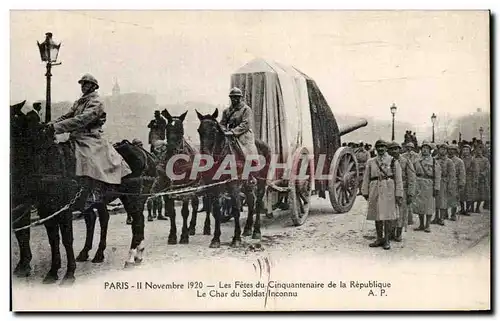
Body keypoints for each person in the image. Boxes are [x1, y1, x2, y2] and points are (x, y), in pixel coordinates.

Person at [46, 73, 132, 210]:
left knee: (87, 158)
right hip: (76, 137)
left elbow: (82, 119)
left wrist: (56, 128)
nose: (83, 86)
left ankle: (95, 191)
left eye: (86, 84)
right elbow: (67, 116)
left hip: (90, 138)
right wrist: (50, 124)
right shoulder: (80, 101)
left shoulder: (96, 102)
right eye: (82, 84)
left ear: (93, 86)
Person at [361, 139, 403, 250]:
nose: (380, 149)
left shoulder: (393, 161)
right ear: (376, 148)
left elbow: (398, 179)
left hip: (388, 188)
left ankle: (387, 239)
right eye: (378, 146)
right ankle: (379, 238)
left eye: (383, 146)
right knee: (377, 215)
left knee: (388, 216)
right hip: (375, 188)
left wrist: (399, 193)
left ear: (386, 148)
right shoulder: (371, 161)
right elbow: (366, 177)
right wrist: (365, 191)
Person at [387, 141, 415, 242]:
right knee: (390, 212)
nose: (394, 151)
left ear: (399, 149)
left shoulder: (405, 161)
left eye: (396, 148)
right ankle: (390, 232)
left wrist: (411, 193)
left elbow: (411, 178)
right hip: (389, 190)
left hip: (403, 190)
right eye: (391, 149)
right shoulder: (387, 161)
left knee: (401, 212)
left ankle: (398, 234)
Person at [220, 87, 258, 161]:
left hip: (243, 134)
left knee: (248, 150)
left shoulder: (246, 109)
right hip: (228, 133)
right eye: (232, 97)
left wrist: (233, 132)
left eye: (236, 97)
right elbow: (222, 123)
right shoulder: (226, 111)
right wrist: (224, 130)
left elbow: (246, 124)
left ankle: (253, 162)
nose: (234, 99)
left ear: (240, 98)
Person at [412, 140, 441, 233]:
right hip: (419, 183)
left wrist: (436, 187)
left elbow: (437, 175)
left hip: (429, 184)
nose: (424, 150)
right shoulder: (416, 161)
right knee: (419, 205)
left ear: (430, 150)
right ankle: (421, 224)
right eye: (423, 148)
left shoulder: (434, 161)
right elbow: (413, 172)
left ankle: (427, 225)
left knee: (429, 205)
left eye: (427, 149)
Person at [432, 143, 456, 225]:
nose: (443, 150)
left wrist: (450, 185)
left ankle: (441, 218)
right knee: (435, 200)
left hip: (444, 182)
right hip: (435, 181)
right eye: (441, 149)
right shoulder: (434, 159)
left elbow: (452, 174)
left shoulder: (449, 161)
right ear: (438, 150)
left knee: (442, 200)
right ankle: (436, 217)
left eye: (445, 149)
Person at [447, 144, 465, 221]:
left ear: (455, 151)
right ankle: (444, 214)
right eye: (449, 149)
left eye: (453, 149)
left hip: (455, 181)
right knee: (445, 197)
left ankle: (453, 214)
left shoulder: (459, 161)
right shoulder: (445, 159)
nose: (451, 151)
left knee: (454, 198)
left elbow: (462, 173)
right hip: (445, 180)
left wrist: (461, 182)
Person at [460, 144, 478, 215]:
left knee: (469, 195)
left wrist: (475, 179)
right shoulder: (460, 158)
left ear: (470, 151)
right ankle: (462, 209)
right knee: (460, 194)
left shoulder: (473, 159)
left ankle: (467, 209)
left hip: (469, 179)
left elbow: (476, 170)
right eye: (464, 150)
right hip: (461, 178)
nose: (465, 151)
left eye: (467, 150)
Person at [474, 145, 490, 213]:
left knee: (481, 194)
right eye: (477, 150)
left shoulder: (485, 159)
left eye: (480, 150)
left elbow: (488, 168)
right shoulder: (473, 159)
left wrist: (483, 174)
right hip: (473, 178)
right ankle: (470, 208)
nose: (478, 152)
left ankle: (477, 207)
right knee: (472, 193)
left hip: (482, 179)